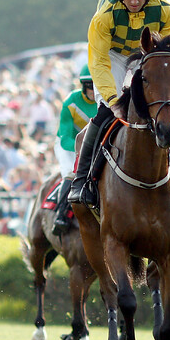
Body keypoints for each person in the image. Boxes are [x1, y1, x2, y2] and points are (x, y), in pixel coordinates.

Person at [69, 0, 170, 206]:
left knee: (163, 109)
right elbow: (99, 61)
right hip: (112, 55)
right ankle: (82, 180)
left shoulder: (168, 10)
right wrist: (113, 100)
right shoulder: (104, 15)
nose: (134, 0)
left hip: (148, 52)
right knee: (107, 112)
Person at [52, 66, 97, 234]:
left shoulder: (104, 101)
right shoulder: (70, 101)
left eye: (97, 85)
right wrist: (83, 149)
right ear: (83, 86)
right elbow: (65, 138)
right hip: (69, 147)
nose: (94, 90)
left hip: (92, 146)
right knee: (72, 173)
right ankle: (61, 215)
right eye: (89, 86)